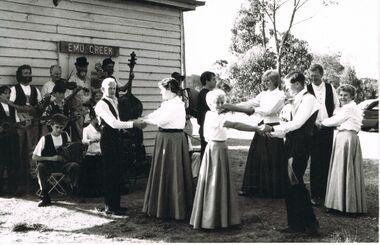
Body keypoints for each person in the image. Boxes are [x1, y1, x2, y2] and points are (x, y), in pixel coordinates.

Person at [190, 89, 260, 229]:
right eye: (217, 103)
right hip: (215, 149)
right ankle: (212, 218)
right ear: (210, 104)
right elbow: (235, 125)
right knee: (214, 183)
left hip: (220, 148)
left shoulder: (215, 112)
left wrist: (241, 109)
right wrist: (255, 128)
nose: (221, 105)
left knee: (219, 182)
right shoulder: (213, 116)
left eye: (222, 102)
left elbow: (229, 108)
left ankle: (221, 216)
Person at [261, 71, 320, 235]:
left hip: (301, 145)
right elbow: (288, 125)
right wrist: (272, 132)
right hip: (292, 143)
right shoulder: (296, 100)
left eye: (288, 85)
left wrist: (272, 128)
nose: (286, 88)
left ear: (298, 84)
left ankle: (309, 224)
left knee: (295, 182)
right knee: (290, 183)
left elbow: (297, 124)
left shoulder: (309, 99)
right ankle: (297, 224)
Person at [223, 70, 287, 198]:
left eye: (268, 80)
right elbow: (250, 102)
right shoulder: (263, 94)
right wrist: (231, 106)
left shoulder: (281, 95)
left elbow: (269, 111)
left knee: (272, 159)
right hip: (261, 126)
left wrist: (251, 111)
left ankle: (272, 191)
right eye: (264, 80)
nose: (265, 83)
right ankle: (254, 189)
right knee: (257, 157)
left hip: (273, 127)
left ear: (275, 81)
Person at [142, 77, 193, 220]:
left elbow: (160, 120)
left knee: (174, 172)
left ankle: (175, 209)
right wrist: (144, 117)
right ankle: (162, 206)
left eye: (162, 89)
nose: (160, 92)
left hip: (173, 140)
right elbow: (156, 114)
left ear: (169, 89)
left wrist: (144, 121)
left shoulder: (177, 104)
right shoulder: (167, 103)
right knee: (163, 171)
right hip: (164, 138)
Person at [94, 77, 146, 215]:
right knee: (110, 172)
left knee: (118, 171)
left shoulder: (116, 101)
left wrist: (137, 120)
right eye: (110, 88)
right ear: (103, 89)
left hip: (117, 137)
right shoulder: (101, 104)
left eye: (114, 88)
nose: (112, 90)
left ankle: (116, 204)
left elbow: (120, 121)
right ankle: (109, 206)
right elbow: (113, 123)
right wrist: (133, 124)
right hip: (107, 138)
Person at [322, 84, 367, 214]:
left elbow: (335, 120)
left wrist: (321, 123)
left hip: (346, 137)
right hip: (348, 137)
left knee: (342, 169)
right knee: (345, 169)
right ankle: (344, 203)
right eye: (341, 95)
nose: (342, 97)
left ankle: (343, 205)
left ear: (352, 96)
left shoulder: (349, 107)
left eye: (345, 95)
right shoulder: (351, 107)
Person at [307, 64, 339, 206]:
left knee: (326, 159)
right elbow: (305, 110)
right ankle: (314, 194)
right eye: (311, 75)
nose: (313, 78)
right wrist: (315, 122)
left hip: (327, 128)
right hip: (313, 128)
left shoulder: (330, 88)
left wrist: (331, 121)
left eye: (316, 75)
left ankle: (325, 193)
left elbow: (337, 106)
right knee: (315, 161)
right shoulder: (306, 89)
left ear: (322, 74)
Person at [32, 113, 81, 207]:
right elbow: (34, 157)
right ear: (51, 125)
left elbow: (70, 150)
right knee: (40, 167)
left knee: (75, 165)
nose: (59, 130)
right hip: (48, 165)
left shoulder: (65, 135)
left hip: (62, 164)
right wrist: (51, 158)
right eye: (57, 127)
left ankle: (74, 191)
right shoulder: (45, 138)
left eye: (61, 127)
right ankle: (45, 196)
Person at [10, 64, 42, 194]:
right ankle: (18, 181)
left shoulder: (35, 90)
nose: (28, 75)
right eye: (25, 73)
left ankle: (33, 179)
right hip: (19, 125)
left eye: (29, 73)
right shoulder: (14, 89)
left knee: (32, 150)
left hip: (33, 124)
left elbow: (40, 106)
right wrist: (21, 113)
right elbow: (10, 105)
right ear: (19, 75)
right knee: (18, 150)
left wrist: (36, 111)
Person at [0, 86, 21, 195]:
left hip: (12, 138)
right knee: (1, 162)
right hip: (1, 139)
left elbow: (17, 121)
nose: (8, 95)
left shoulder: (12, 107)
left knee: (12, 162)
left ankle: (12, 188)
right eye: (5, 93)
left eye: (9, 93)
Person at [68, 56, 92, 141]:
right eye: (80, 66)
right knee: (80, 137)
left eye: (84, 66)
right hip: (77, 112)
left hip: (88, 111)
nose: (82, 69)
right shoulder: (72, 80)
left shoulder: (89, 80)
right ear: (76, 67)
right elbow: (67, 99)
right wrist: (75, 91)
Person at [81, 110, 103, 197]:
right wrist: (90, 141)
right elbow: (84, 140)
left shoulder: (101, 129)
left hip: (101, 153)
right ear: (93, 119)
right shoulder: (86, 129)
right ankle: (93, 191)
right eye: (98, 119)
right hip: (91, 154)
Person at [197, 71, 216, 160]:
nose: (215, 81)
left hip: (206, 127)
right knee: (206, 154)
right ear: (207, 81)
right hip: (206, 128)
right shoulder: (206, 94)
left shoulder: (205, 93)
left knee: (207, 154)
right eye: (213, 79)